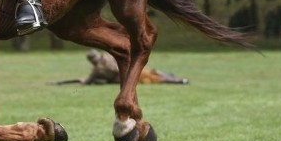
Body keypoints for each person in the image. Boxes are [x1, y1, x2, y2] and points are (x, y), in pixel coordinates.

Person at [55, 49, 189, 85]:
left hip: (130, 75)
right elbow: (88, 80)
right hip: (133, 71)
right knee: (155, 75)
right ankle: (175, 79)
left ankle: (176, 80)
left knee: (155, 76)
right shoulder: (107, 57)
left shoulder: (100, 68)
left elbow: (89, 80)